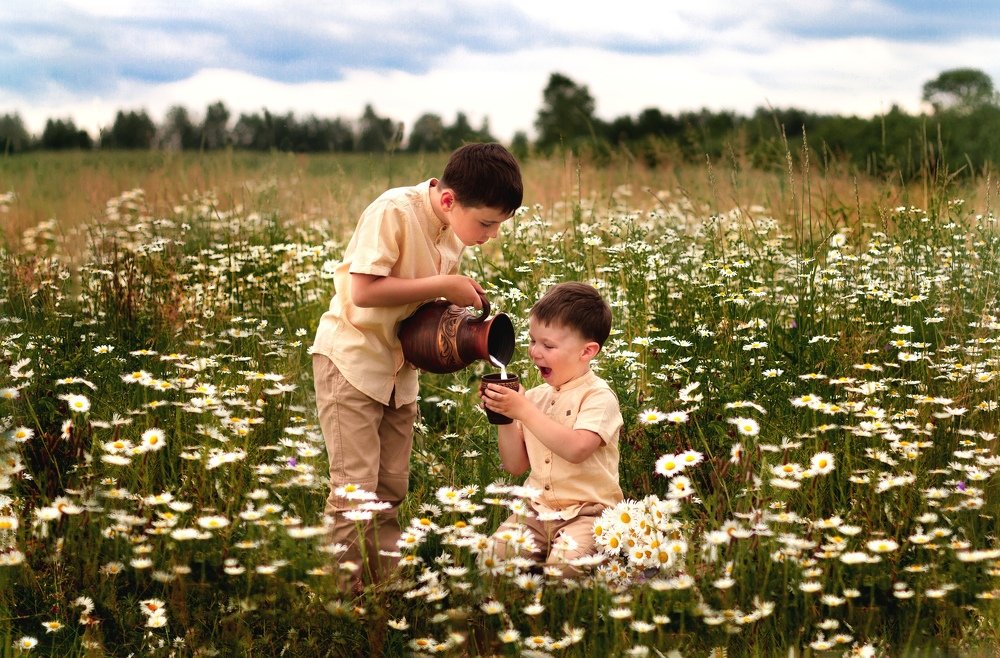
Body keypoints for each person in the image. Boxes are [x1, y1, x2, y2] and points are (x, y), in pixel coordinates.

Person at [312, 143, 523, 589]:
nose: (490, 235)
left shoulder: (451, 229)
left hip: (398, 369)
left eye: (497, 226)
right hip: (353, 360)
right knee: (355, 492)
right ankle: (342, 599)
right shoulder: (393, 211)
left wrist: (460, 330)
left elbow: (421, 308)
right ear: (449, 200)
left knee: (391, 487)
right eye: (486, 223)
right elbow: (365, 291)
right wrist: (446, 283)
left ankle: (385, 585)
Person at [480, 282, 623, 576]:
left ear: (587, 351)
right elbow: (515, 465)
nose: (535, 352)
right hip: (535, 510)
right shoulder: (534, 398)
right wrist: (505, 417)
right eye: (533, 341)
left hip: (588, 513)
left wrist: (523, 411)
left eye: (548, 345)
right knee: (492, 560)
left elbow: (576, 448)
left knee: (565, 569)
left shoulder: (598, 397)